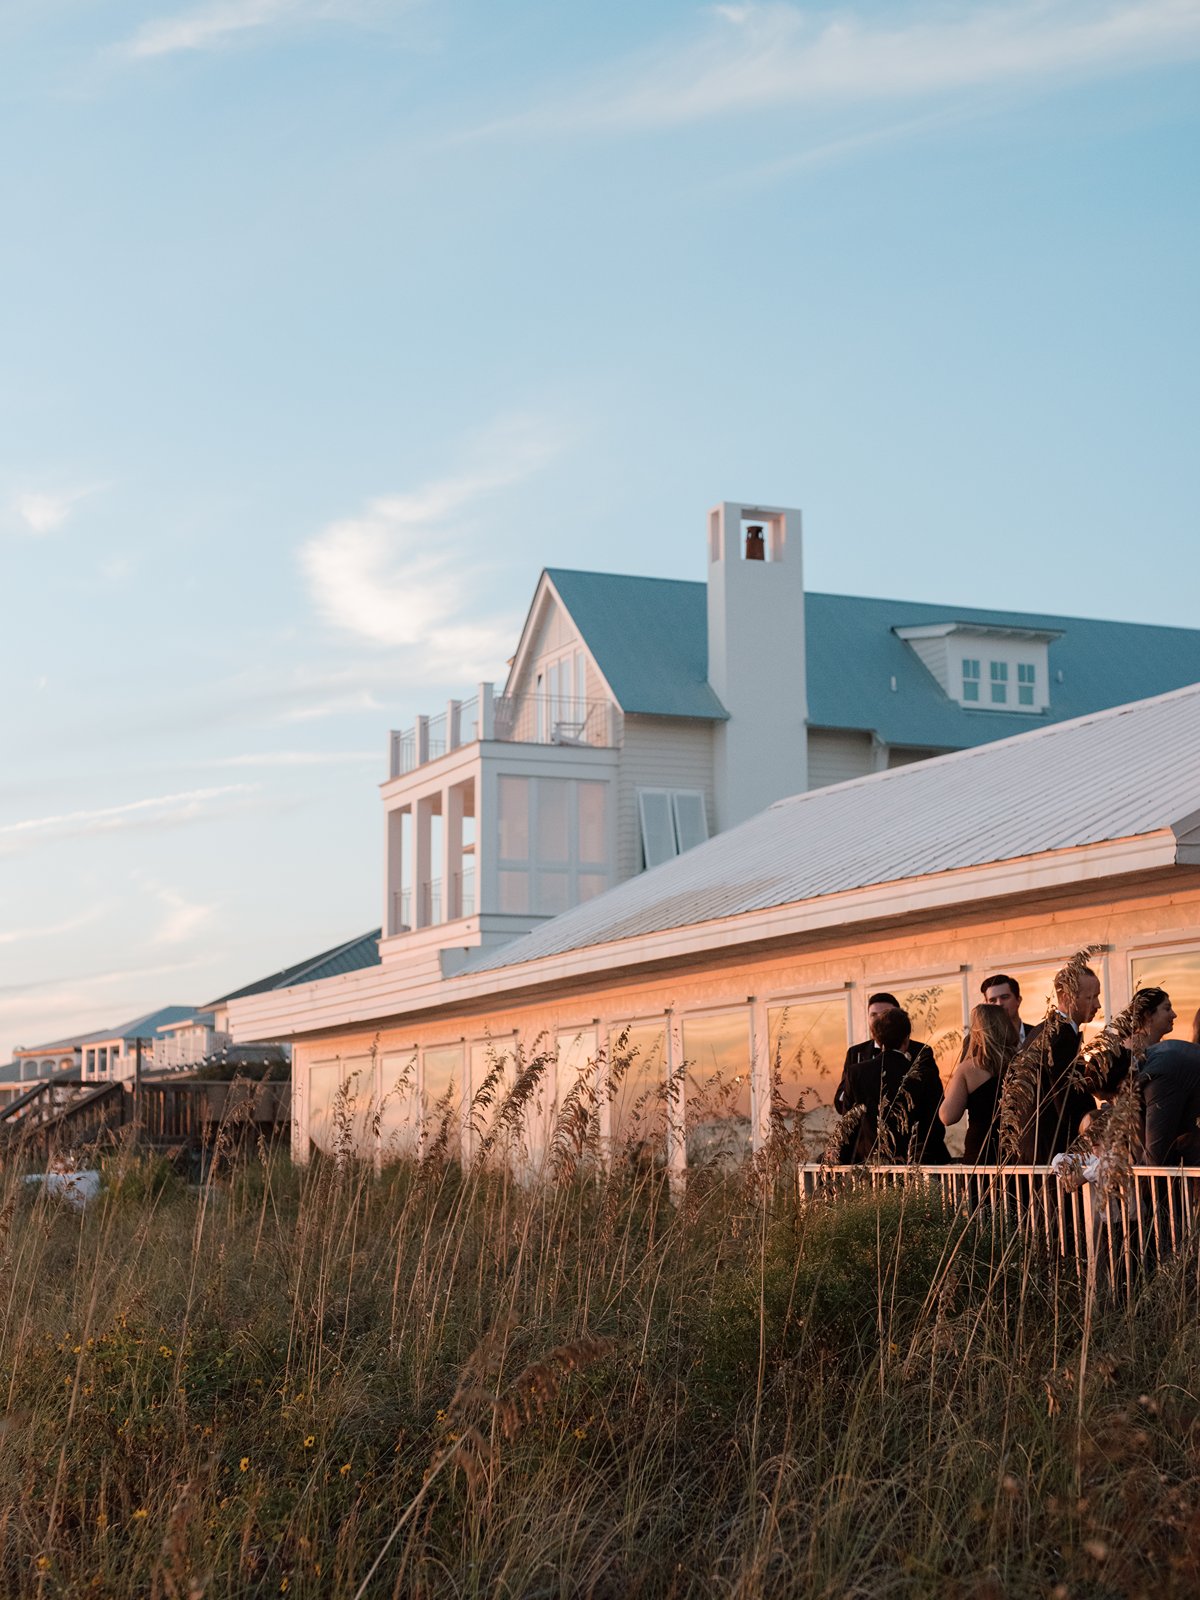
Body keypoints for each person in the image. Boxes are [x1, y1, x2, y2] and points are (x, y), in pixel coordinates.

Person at [836, 1006, 948, 1163]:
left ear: (876, 1037)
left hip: (875, 1163)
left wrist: (841, 1161)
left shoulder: (856, 1073)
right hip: (917, 1163)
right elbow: (935, 1121)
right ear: (907, 1038)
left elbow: (849, 1125)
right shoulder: (924, 1074)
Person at [1014, 963, 1101, 1162]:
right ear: (1066, 998)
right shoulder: (1061, 1037)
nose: (1098, 1005)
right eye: (1091, 997)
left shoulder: (1042, 1030)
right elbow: (1066, 1098)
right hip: (1053, 1150)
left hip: (1036, 1148)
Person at [940, 1004, 1018, 1163]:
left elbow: (947, 1116)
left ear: (978, 1032)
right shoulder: (1022, 1063)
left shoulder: (969, 1068)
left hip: (982, 1152)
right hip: (1017, 1151)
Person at [834, 993, 929, 1114]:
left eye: (885, 1014)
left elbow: (931, 1099)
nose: (878, 1019)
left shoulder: (921, 1051)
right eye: (873, 1015)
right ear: (867, 1019)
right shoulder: (856, 1053)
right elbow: (840, 1103)